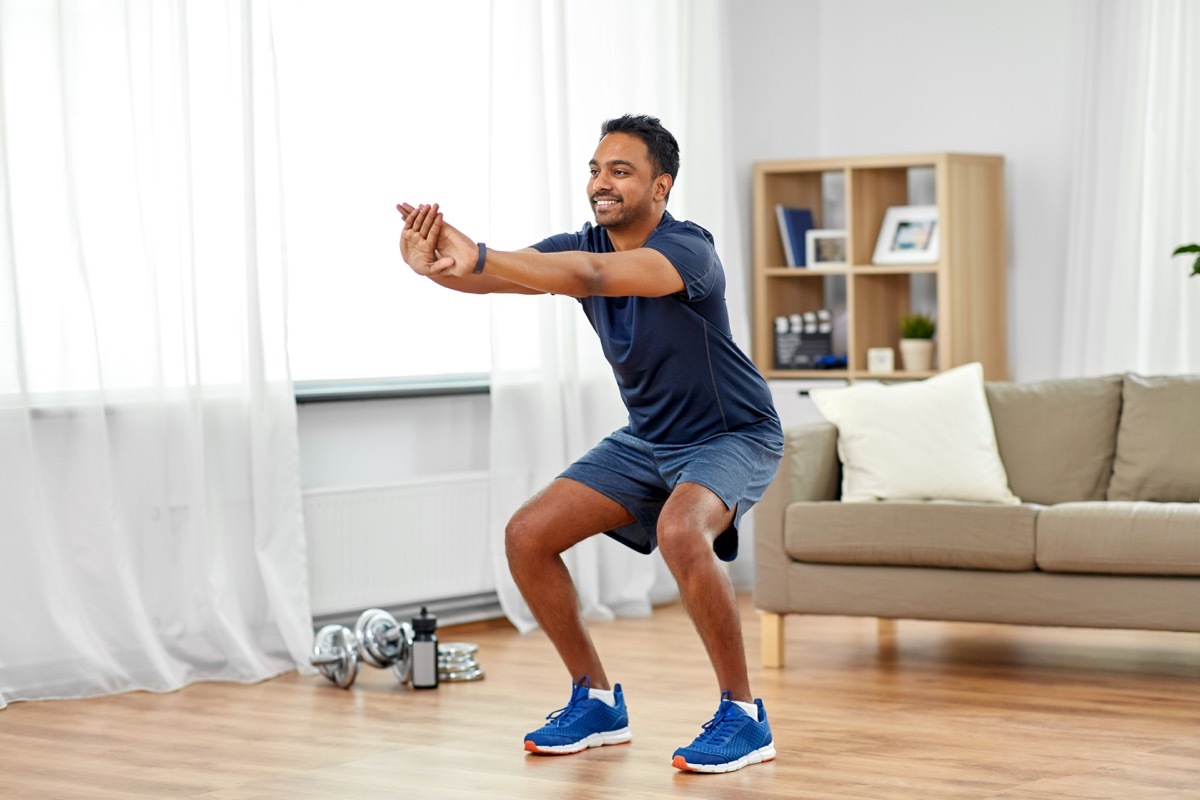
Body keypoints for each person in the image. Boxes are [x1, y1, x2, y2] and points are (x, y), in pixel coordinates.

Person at [396, 114, 783, 774]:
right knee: (528, 534)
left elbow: (592, 276)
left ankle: (743, 716)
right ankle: (596, 700)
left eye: (621, 171)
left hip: (732, 433)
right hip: (649, 440)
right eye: (595, 169)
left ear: (660, 187)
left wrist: (482, 254)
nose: (601, 183)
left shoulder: (689, 251)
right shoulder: (581, 242)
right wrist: (434, 268)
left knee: (682, 531)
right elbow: (504, 274)